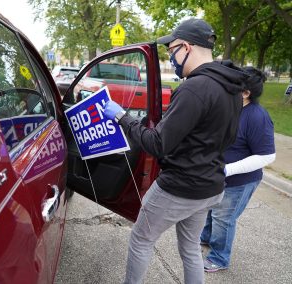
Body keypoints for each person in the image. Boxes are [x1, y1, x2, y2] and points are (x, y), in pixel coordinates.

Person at [103, 18, 248, 284]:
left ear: (187, 47)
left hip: (179, 187)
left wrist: (122, 117)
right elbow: (222, 136)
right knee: (190, 248)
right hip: (211, 186)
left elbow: (157, 144)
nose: (171, 59)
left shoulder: (194, 88)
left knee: (141, 239)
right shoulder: (233, 88)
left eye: (171, 52)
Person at [200, 67, 276, 272]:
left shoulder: (257, 117)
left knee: (223, 219)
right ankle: (206, 238)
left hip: (239, 181)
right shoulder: (232, 107)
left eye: (232, 84)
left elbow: (268, 156)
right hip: (218, 175)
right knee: (211, 210)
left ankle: (219, 258)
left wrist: (227, 169)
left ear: (245, 93)